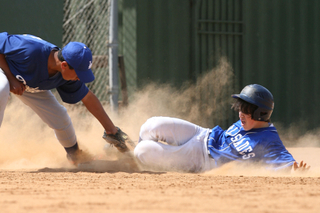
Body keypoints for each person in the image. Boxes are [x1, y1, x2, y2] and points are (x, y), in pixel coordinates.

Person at [0, 32, 134, 165]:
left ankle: (75, 156)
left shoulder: (65, 74)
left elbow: (87, 97)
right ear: (64, 65)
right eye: (79, 73)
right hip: (4, 70)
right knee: (2, 87)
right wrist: (11, 78)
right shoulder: (31, 50)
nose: (80, 78)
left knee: (60, 117)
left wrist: (111, 130)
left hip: (28, 84)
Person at [134, 84, 310, 173]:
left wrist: (295, 171)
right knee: (151, 125)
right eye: (240, 107)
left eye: (247, 109)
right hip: (203, 134)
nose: (241, 113)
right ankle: (131, 153)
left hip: (201, 160)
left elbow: (288, 163)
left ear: (261, 113)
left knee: (142, 151)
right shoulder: (246, 121)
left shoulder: (269, 141)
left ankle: (135, 160)